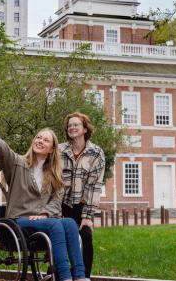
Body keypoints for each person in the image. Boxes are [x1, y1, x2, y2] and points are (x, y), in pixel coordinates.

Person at [0, 101, 86, 281]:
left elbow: (56, 201)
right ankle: (65, 277)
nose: (40, 141)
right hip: (19, 220)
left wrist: (44, 214)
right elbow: (0, 147)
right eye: (38, 137)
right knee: (56, 224)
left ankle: (80, 276)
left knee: (71, 224)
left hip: (42, 220)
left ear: (51, 150)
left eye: (46, 140)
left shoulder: (54, 174)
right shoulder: (17, 163)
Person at [60, 112, 105, 279]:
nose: (71, 127)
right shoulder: (60, 150)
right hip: (60, 203)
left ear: (85, 129)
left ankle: (84, 275)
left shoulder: (96, 153)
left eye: (76, 124)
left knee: (85, 234)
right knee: (60, 238)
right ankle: (59, 271)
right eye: (69, 125)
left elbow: (94, 186)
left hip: (81, 205)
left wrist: (88, 216)